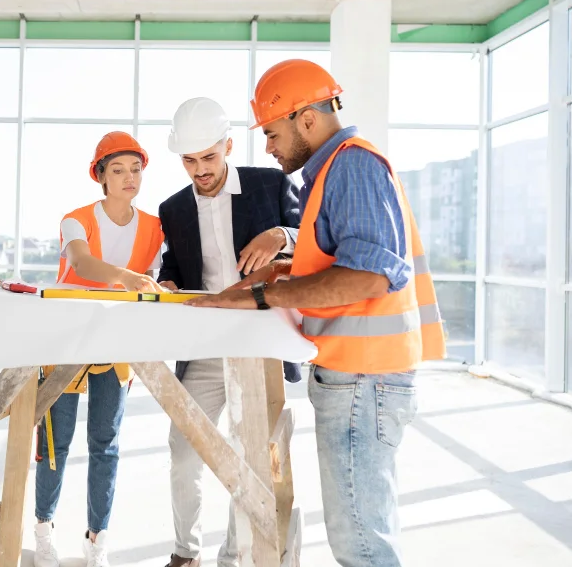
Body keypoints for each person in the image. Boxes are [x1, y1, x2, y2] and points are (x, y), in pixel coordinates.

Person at [186, 60, 446, 567]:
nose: (268, 146)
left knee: (361, 543)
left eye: (272, 132)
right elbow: (337, 259)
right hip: (358, 377)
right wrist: (283, 270)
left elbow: (370, 275)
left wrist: (262, 297)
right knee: (364, 531)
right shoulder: (332, 171)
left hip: (363, 379)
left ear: (306, 118)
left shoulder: (352, 165)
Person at [154, 97, 302, 567]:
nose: (199, 170)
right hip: (202, 347)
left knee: (250, 456)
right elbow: (174, 268)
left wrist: (280, 235)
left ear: (228, 147)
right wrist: (167, 283)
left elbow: (311, 238)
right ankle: (185, 551)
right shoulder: (172, 208)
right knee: (183, 449)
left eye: (208, 158)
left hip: (255, 344)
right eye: (190, 161)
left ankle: (233, 555)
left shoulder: (269, 183)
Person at [34, 131, 166, 567]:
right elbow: (82, 263)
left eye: (136, 169)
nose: (129, 178)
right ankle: (43, 532)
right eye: (117, 170)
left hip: (116, 340)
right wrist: (128, 278)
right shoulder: (75, 219)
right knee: (57, 442)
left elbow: (156, 276)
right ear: (101, 176)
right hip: (67, 336)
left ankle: (97, 541)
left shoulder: (153, 226)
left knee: (105, 443)